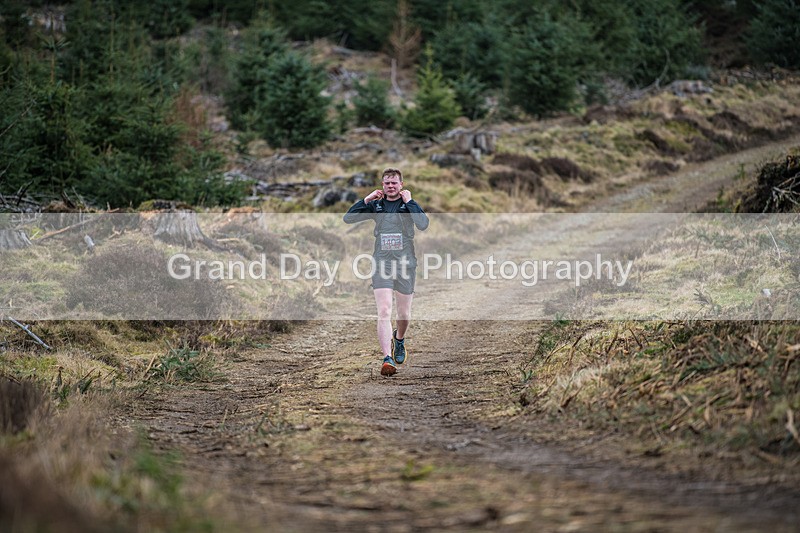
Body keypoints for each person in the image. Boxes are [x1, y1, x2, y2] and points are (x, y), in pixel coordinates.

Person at [343, 167, 429, 376]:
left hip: (405, 264)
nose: (391, 186)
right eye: (387, 183)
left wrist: (410, 202)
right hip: (382, 262)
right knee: (383, 310)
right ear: (383, 185)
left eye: (394, 183)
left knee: (404, 314)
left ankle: (398, 339)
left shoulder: (408, 205)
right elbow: (348, 218)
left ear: (401, 184)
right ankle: (386, 358)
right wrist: (366, 199)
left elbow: (423, 224)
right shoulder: (377, 205)